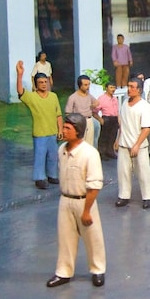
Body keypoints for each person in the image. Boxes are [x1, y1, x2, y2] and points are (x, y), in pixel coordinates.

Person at [46, 113, 106, 289]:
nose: (64, 130)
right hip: (65, 200)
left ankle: (97, 269)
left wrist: (87, 210)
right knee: (65, 238)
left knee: (92, 237)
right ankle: (64, 271)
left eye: (67, 128)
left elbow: (94, 186)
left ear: (78, 131)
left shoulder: (90, 154)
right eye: (64, 127)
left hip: (84, 201)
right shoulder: (61, 149)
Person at [16, 60, 62, 190]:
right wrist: (19, 75)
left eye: (45, 82)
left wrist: (60, 129)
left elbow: (58, 114)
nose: (43, 84)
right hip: (40, 133)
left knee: (53, 155)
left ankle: (52, 175)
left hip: (52, 132)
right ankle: (39, 178)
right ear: (36, 84)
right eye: (40, 82)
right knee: (40, 156)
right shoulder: (32, 97)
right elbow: (20, 91)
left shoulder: (53, 96)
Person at [115, 78, 150, 209]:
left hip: (139, 146)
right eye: (128, 86)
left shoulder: (144, 106)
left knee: (143, 172)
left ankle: (147, 197)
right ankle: (124, 196)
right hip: (124, 144)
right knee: (123, 172)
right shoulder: (125, 103)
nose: (129, 89)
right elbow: (123, 125)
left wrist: (137, 144)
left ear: (139, 90)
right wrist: (117, 139)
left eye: (132, 87)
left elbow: (147, 128)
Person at [65, 75, 102, 148]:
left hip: (89, 120)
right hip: (79, 122)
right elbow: (68, 113)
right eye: (85, 85)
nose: (87, 87)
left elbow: (97, 102)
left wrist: (94, 104)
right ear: (80, 85)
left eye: (88, 84)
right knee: (80, 142)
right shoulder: (73, 97)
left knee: (90, 142)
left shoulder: (89, 95)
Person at [95, 84, 119, 160]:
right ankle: (102, 153)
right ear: (106, 88)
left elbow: (117, 110)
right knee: (104, 137)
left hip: (114, 118)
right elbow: (94, 111)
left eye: (114, 87)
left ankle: (110, 151)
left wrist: (118, 119)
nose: (113, 89)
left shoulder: (115, 99)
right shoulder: (102, 98)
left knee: (112, 136)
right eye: (111, 87)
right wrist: (100, 119)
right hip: (107, 118)